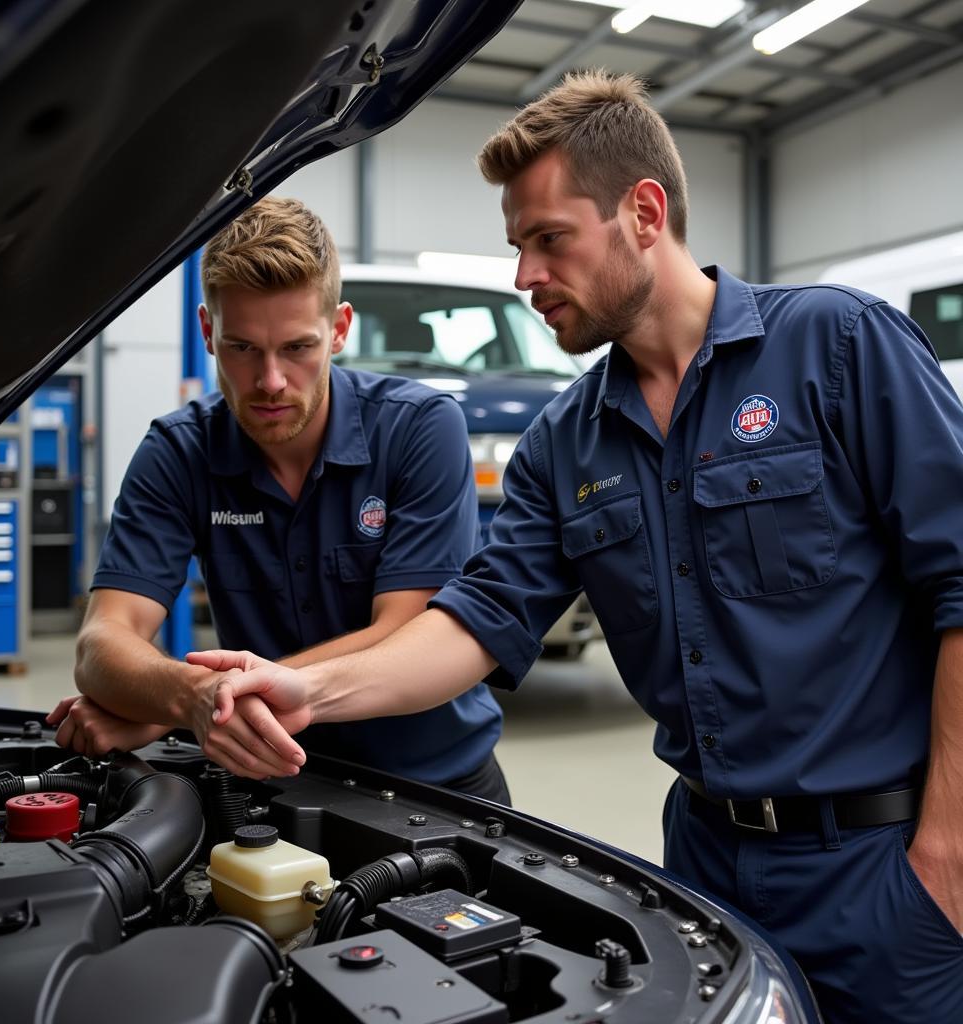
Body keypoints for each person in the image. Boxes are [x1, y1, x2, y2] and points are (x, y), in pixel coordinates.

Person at [194, 73, 963, 1023]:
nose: (525, 277)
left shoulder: (839, 349)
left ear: (643, 212)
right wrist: (306, 689)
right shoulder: (566, 442)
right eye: (518, 246)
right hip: (707, 867)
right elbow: (476, 621)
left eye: (548, 240)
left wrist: (949, 850)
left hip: (885, 864)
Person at [47, 196, 509, 803]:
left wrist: (177, 707)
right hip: (273, 787)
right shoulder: (178, 452)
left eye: (297, 348)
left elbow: (406, 628)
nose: (269, 381)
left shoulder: (420, 429)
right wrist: (190, 696)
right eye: (243, 348)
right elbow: (103, 642)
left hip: (439, 789)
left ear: (339, 329)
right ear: (208, 332)